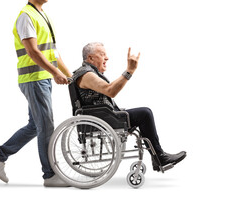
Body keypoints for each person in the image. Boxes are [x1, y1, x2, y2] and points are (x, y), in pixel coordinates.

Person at [0, 0, 71, 187]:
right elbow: (33, 52)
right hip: (34, 78)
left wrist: (69, 74)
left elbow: (52, 52)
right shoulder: (26, 16)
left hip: (41, 78)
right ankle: (50, 175)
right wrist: (55, 72)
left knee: (35, 125)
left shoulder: (42, 15)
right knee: (46, 126)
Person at [71, 42, 186, 172]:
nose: (107, 58)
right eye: (102, 54)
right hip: (104, 119)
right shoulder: (86, 74)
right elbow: (110, 90)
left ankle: (157, 157)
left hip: (104, 116)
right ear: (90, 58)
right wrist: (129, 71)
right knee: (145, 113)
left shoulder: (88, 73)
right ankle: (159, 157)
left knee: (142, 115)